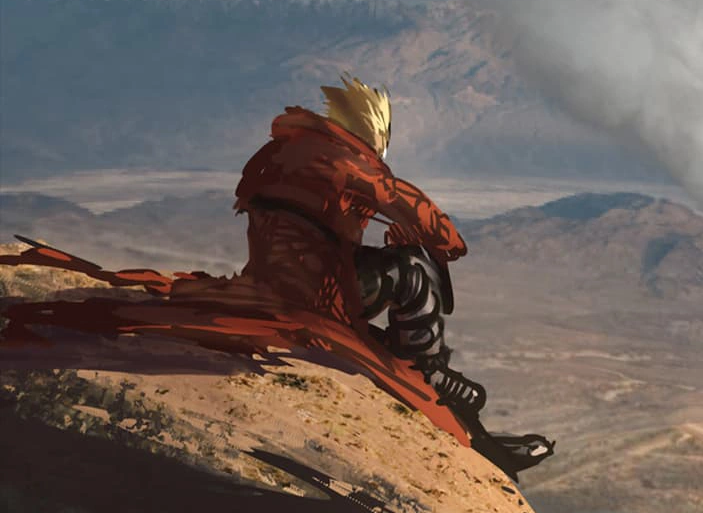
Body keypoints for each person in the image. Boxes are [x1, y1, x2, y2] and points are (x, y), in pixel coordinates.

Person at [1, 75, 552, 477]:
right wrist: (436, 241)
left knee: (391, 315)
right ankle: (431, 372)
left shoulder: (281, 152)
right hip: (321, 297)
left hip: (270, 282)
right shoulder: (348, 164)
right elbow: (425, 218)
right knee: (413, 269)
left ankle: (456, 406)